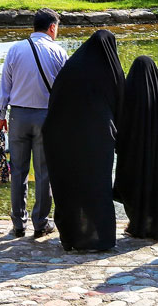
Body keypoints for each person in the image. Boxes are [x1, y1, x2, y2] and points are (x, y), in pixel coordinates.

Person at [43, 29, 124, 252]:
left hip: (62, 139)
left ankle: (72, 237)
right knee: (97, 186)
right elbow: (120, 104)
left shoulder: (71, 68)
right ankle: (101, 238)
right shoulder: (110, 70)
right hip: (98, 140)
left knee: (70, 186)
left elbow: (54, 104)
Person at [0, 8, 67, 238]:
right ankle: (41, 222)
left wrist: (1, 116)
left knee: (18, 170)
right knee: (44, 171)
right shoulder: (58, 52)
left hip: (18, 116)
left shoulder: (15, 49)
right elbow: (65, 90)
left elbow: (4, 86)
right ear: (52, 27)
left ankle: (18, 223)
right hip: (47, 117)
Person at [113, 55, 158, 241]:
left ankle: (136, 224)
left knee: (132, 185)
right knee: (153, 186)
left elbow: (119, 122)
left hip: (132, 152)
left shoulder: (128, 92)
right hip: (157, 151)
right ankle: (155, 227)